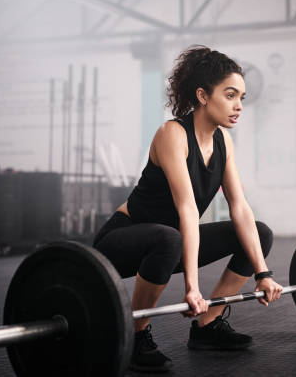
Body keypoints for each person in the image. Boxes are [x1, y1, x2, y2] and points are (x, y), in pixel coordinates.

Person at [93, 45, 283, 373]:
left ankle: (208, 326)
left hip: (172, 240)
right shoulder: (173, 134)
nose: (239, 105)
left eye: (242, 96)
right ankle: (137, 338)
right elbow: (187, 209)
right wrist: (192, 288)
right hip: (121, 242)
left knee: (258, 233)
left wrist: (263, 273)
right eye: (230, 95)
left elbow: (239, 207)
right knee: (169, 238)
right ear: (203, 95)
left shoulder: (223, 141)